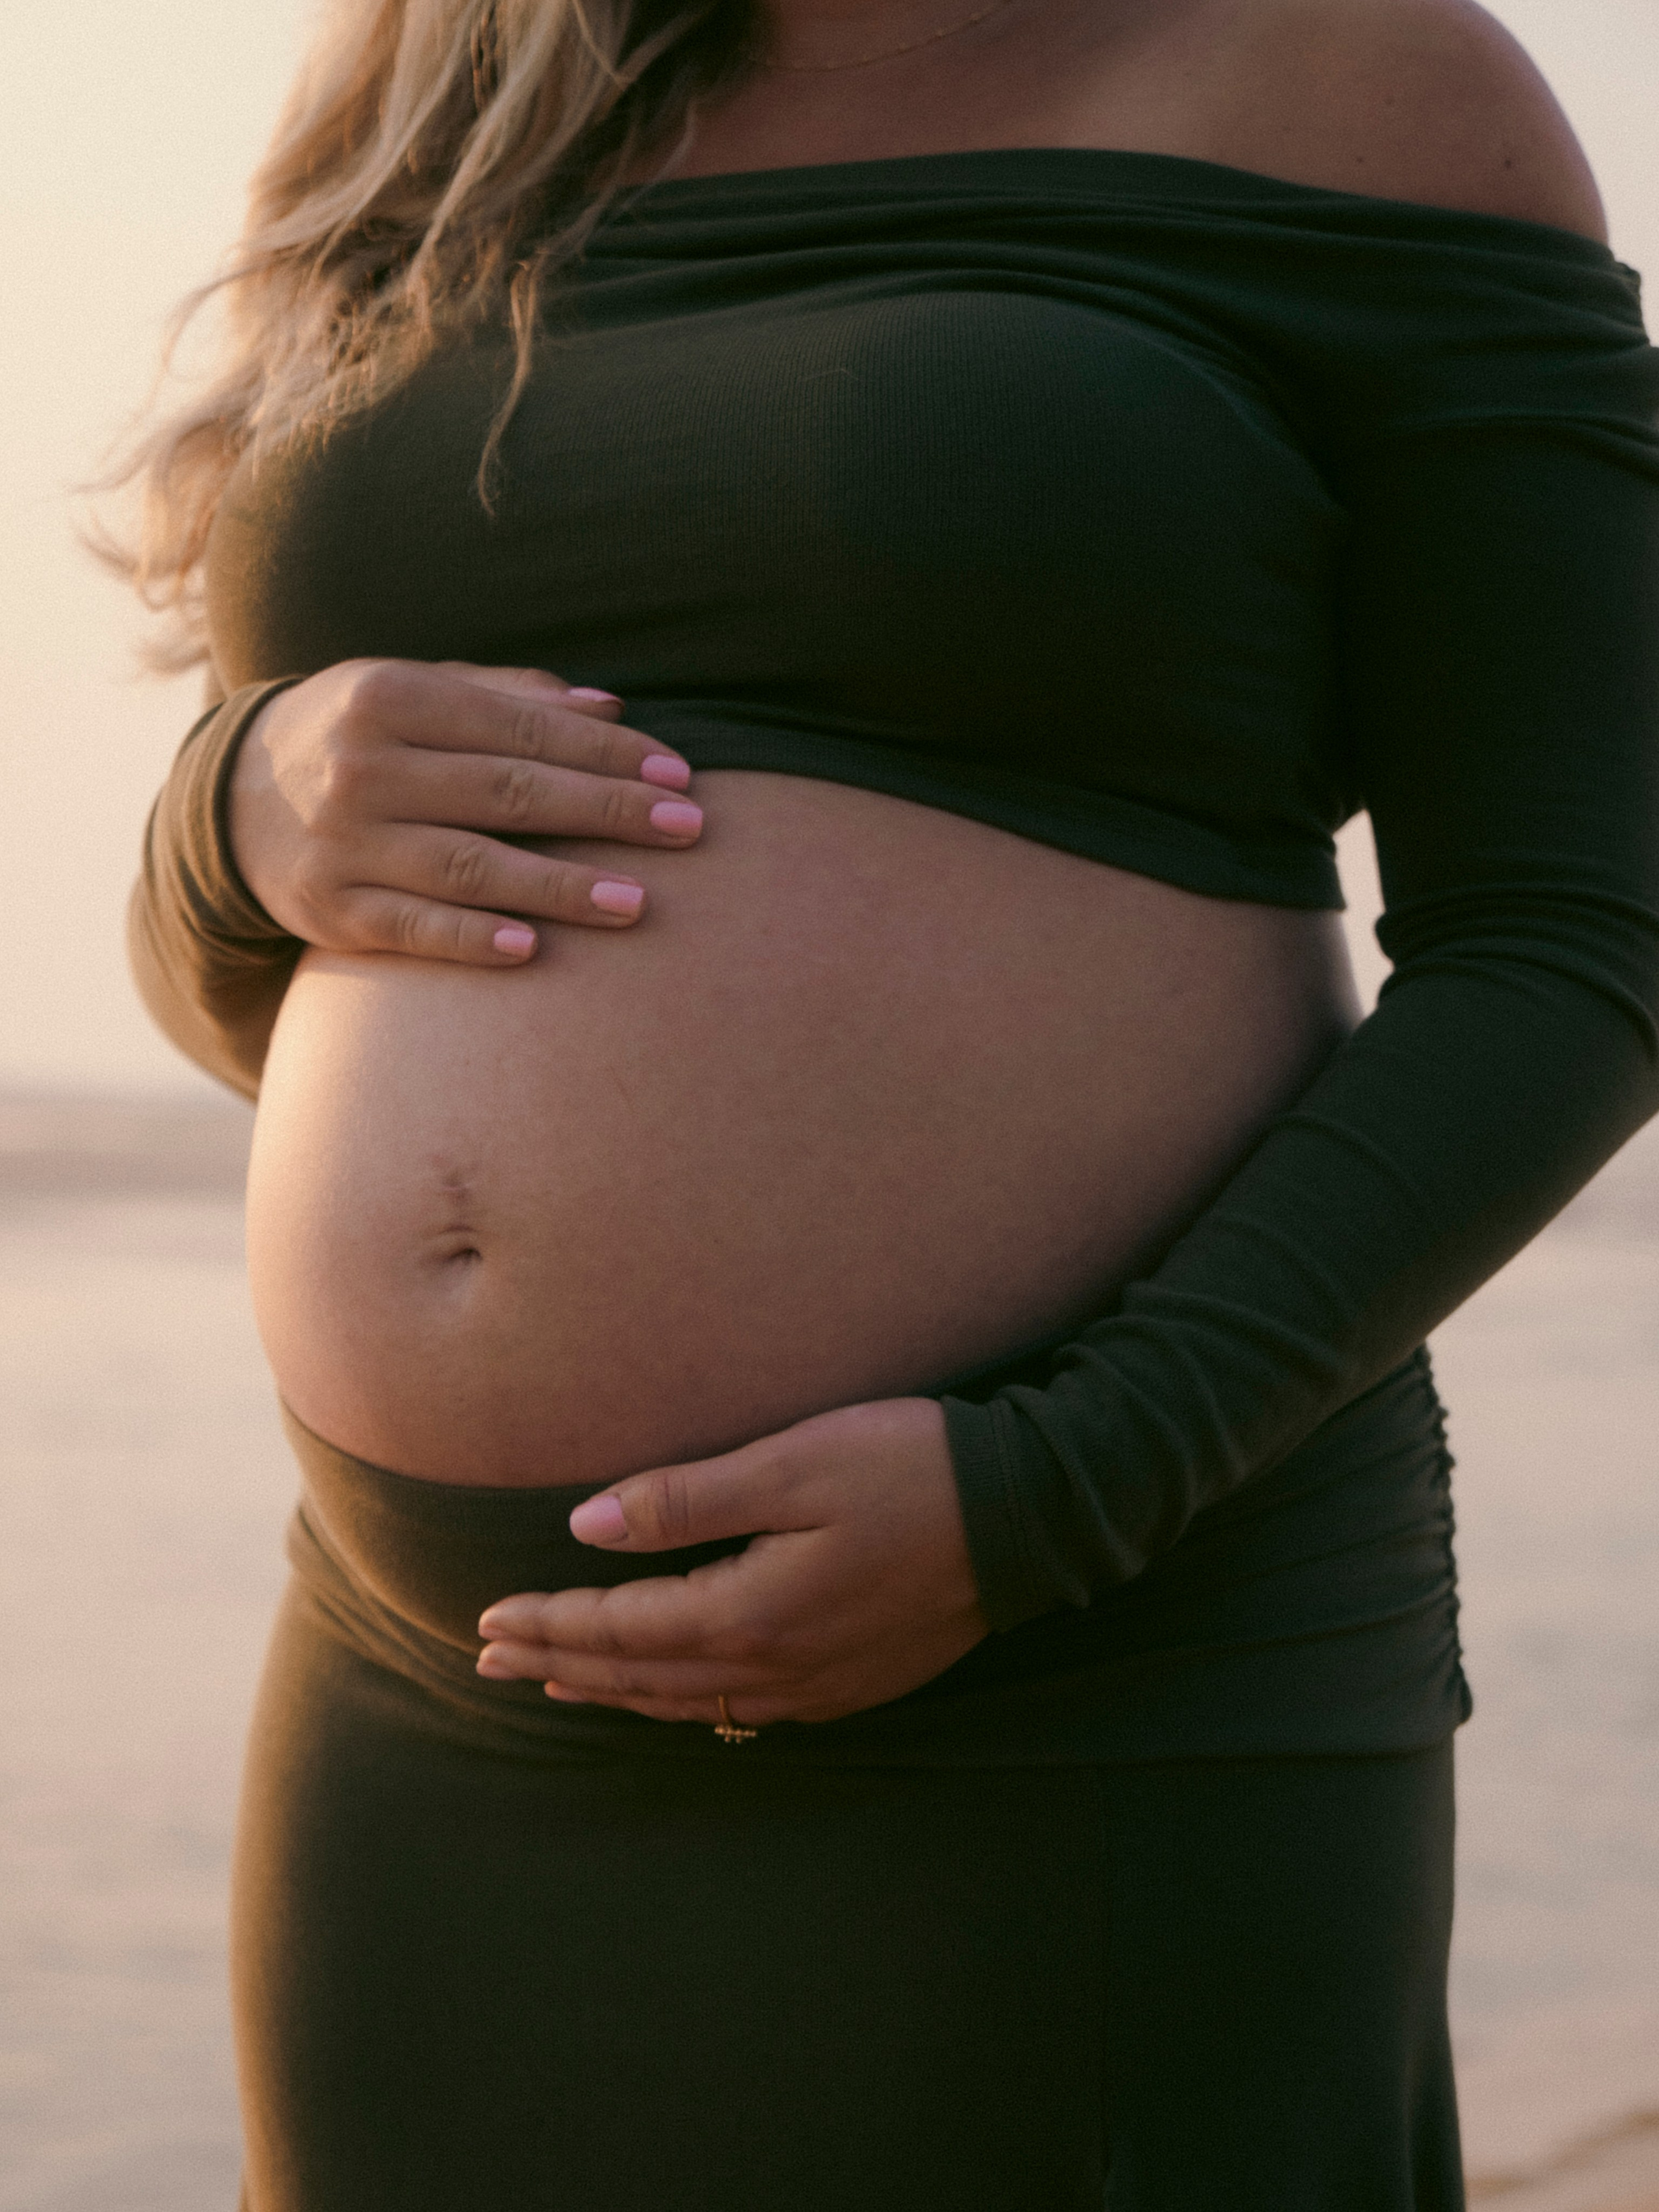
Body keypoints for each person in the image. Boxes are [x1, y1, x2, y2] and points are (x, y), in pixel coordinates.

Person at [116, 0, 1658, 2202]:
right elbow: (271, 993)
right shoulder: (453, 94)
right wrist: (231, 813)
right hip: (439, 1702)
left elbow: (1579, 939)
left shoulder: (1369, 80)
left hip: (1100, 1651)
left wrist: (1058, 1492)